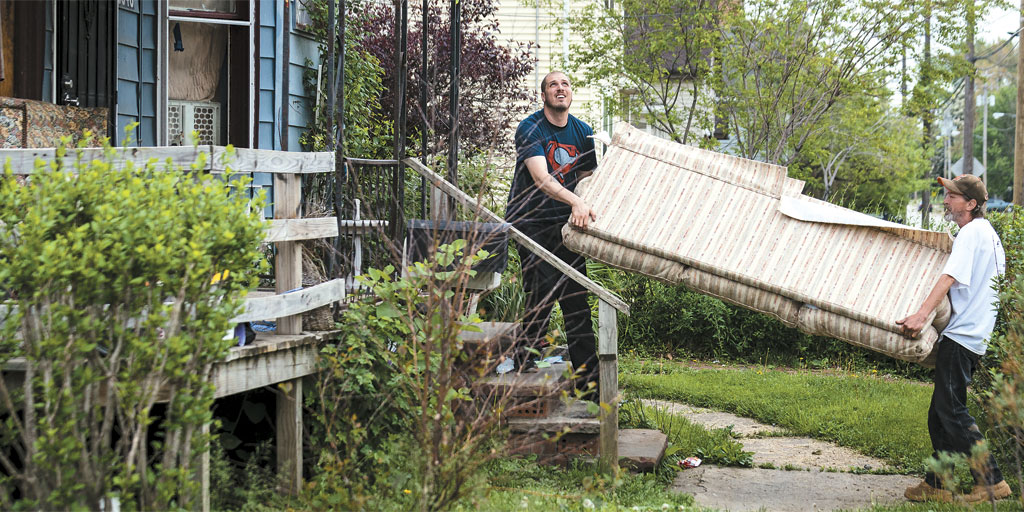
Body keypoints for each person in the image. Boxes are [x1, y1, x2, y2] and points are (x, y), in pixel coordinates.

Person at [897, 174, 1012, 503]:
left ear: (971, 204)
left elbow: (949, 277)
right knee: (940, 413)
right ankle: (938, 484)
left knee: (953, 411)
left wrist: (921, 315)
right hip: (971, 335)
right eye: (945, 194)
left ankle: (991, 480)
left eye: (952, 196)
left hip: (963, 336)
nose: (945, 200)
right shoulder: (985, 234)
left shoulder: (972, 233)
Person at [505, 71, 599, 399]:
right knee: (541, 293)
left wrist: (583, 206)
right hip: (530, 222)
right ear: (543, 95)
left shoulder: (583, 133)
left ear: (571, 93)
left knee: (576, 299)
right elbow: (542, 179)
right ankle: (520, 369)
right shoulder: (530, 128)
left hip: (567, 227)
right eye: (553, 85)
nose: (560, 89)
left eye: (565, 85)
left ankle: (590, 389)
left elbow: (587, 182)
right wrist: (576, 201)